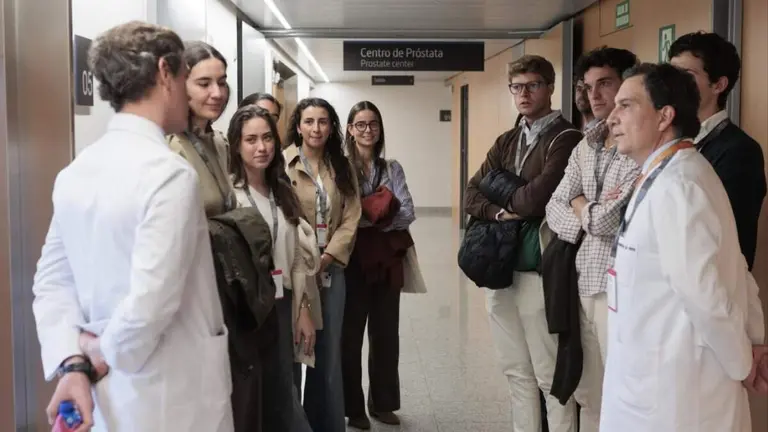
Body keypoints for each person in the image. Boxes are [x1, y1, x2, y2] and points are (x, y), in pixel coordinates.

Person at [31, 21, 233, 432]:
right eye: (182, 76)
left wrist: (73, 362)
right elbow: (150, 304)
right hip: (171, 396)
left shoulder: (76, 171)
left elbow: (51, 283)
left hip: (109, 394)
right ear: (164, 73)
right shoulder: (169, 174)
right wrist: (98, 350)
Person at [600, 62, 765, 432]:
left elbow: (705, 293)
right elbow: (735, 263)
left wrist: (742, 361)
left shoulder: (680, 184)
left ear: (664, 116)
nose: (612, 117)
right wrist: (754, 338)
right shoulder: (662, 174)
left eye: (626, 105)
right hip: (649, 374)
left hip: (679, 389)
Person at [464, 55, 582, 432]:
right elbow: (470, 193)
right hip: (499, 267)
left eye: (533, 85)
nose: (524, 93)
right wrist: (500, 213)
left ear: (549, 87)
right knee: (515, 370)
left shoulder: (567, 139)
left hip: (537, 270)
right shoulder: (507, 139)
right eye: (517, 87)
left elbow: (539, 199)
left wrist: (503, 195)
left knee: (548, 375)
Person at [545, 47, 640, 432]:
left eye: (605, 84)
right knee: (587, 389)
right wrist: (587, 213)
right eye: (588, 86)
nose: (595, 95)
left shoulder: (636, 147)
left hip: (617, 287)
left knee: (620, 389)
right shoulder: (585, 145)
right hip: (581, 278)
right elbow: (554, 206)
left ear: (627, 87)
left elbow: (606, 221)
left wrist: (582, 206)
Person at [228, 105, 321, 432]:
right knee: (252, 396)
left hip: (282, 307)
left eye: (267, 137)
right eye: (250, 139)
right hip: (247, 312)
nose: (261, 147)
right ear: (236, 145)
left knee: (284, 391)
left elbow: (297, 259)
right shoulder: (229, 196)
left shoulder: (284, 193)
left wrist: (303, 310)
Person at [284, 97, 362, 432]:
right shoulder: (281, 163)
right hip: (293, 270)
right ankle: (293, 424)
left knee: (327, 354)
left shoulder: (342, 167)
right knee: (291, 352)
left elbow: (351, 217)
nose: (316, 128)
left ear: (332, 127)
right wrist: (305, 263)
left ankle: (326, 424)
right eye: (309, 121)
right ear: (298, 126)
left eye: (323, 121)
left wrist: (328, 257)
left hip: (331, 270)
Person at [341, 101, 416, 430]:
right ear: (349, 129)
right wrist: (378, 213)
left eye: (373, 124)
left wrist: (367, 219)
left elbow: (408, 211)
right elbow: (342, 216)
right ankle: (353, 407)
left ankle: (383, 404)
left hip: (387, 261)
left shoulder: (392, 167)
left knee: (386, 334)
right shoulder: (341, 168)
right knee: (351, 335)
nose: (367, 130)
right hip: (352, 260)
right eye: (360, 124)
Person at [669, 31, 766, 270]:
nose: (675, 84)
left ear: (719, 85)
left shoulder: (740, 151)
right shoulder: (670, 140)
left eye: (687, 75)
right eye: (672, 74)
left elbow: (722, 235)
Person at [167, 41, 235, 217]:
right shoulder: (170, 147)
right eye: (204, 84)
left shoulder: (220, 143)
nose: (217, 93)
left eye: (221, 83)